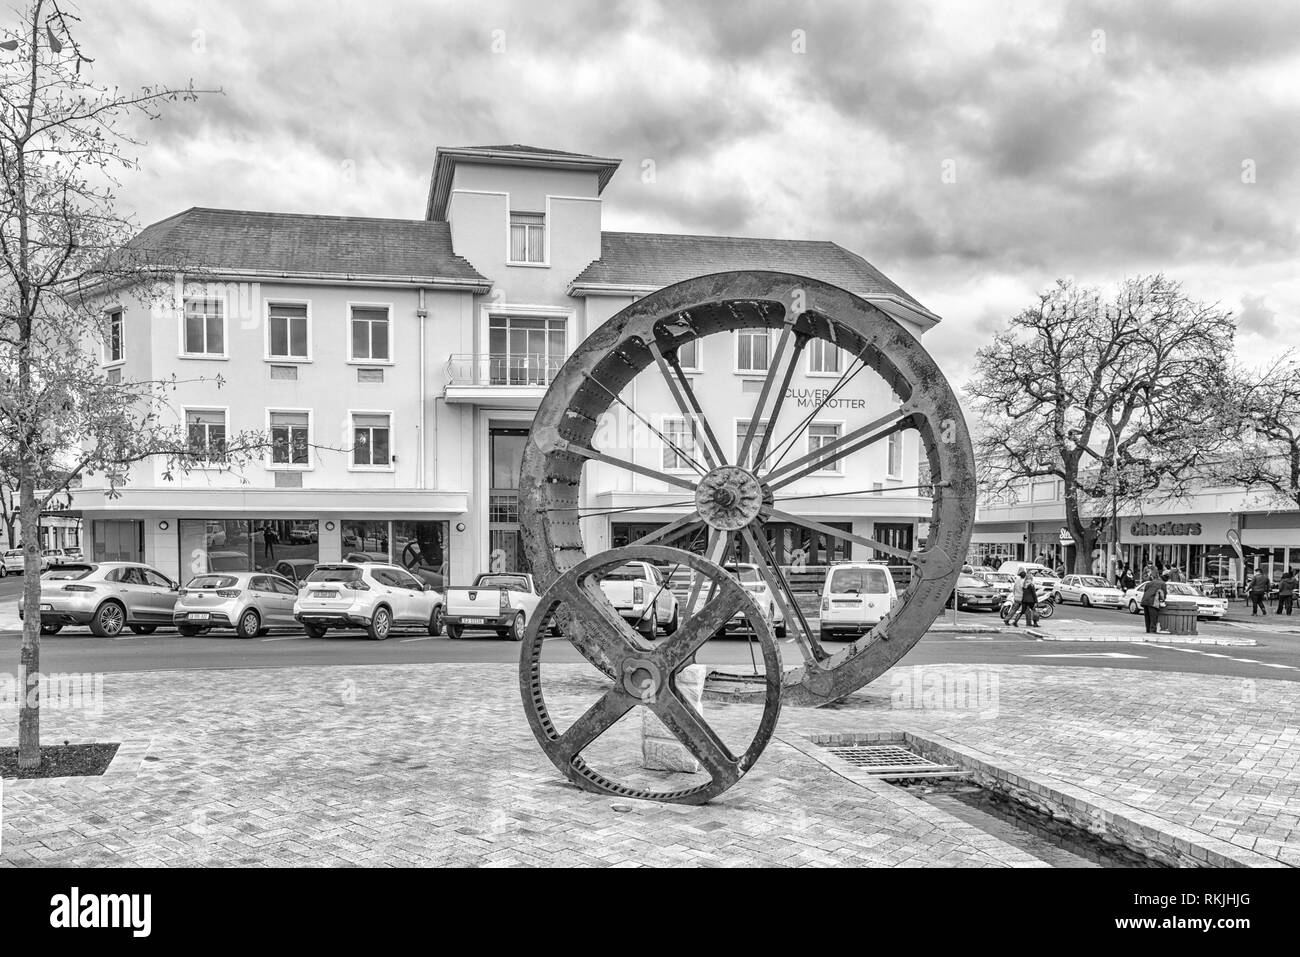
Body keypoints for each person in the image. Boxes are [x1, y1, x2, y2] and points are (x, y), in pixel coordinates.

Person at [1139, 569, 1167, 634]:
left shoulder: (1149, 583)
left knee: (1147, 616)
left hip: (1145, 601)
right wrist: (1162, 601)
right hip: (1153, 601)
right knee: (1153, 617)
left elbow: (1145, 591)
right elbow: (1163, 594)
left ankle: (1148, 630)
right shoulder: (1162, 584)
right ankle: (1152, 630)